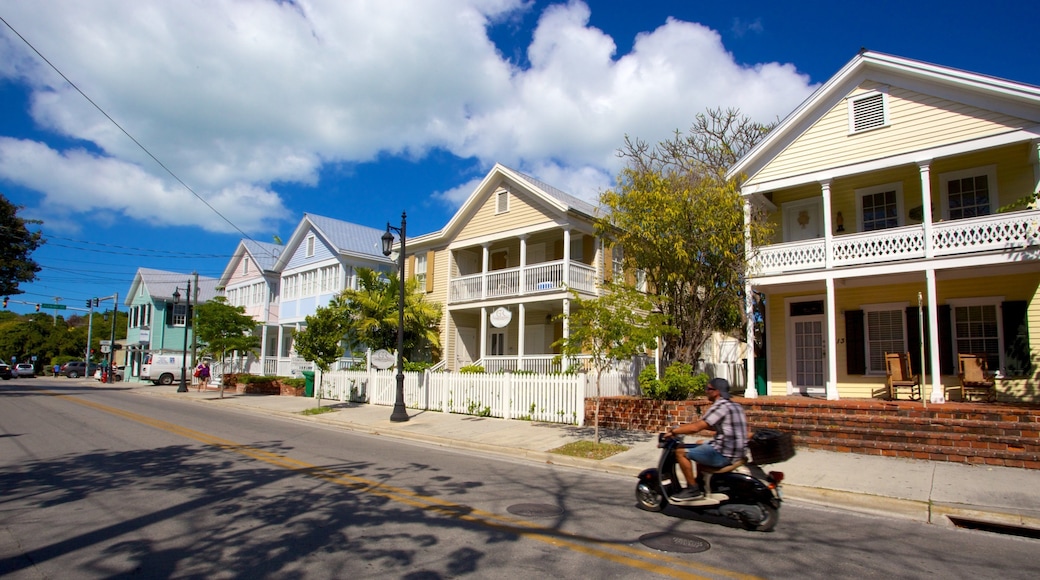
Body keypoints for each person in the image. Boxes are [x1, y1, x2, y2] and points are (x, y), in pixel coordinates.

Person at [665, 377, 749, 501]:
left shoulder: (720, 406)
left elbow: (696, 428)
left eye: (708, 388)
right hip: (737, 452)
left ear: (716, 392)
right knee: (700, 443)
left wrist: (674, 431)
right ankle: (702, 483)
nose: (706, 391)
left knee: (680, 451)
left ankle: (693, 489)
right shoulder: (735, 405)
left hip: (724, 454)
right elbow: (717, 426)